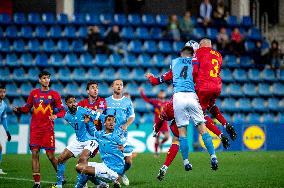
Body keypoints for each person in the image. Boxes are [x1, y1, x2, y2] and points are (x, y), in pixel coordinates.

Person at [146, 46, 219, 171]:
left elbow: (156, 81)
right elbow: (199, 77)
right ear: (192, 54)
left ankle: (186, 162)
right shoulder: (196, 62)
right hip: (192, 95)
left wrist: (150, 77)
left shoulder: (174, 64)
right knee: (202, 129)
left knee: (182, 134)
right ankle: (213, 156)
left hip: (178, 97)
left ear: (181, 53)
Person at [13, 71, 66, 188]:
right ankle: (37, 183)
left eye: (48, 78)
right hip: (35, 129)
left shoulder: (55, 94)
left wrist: (56, 116)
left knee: (50, 156)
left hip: (48, 129)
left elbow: (62, 111)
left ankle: (61, 176)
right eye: (44, 78)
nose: (46, 80)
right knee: (35, 154)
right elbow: (27, 108)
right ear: (39, 80)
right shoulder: (34, 93)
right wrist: (20, 109)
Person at [193, 38, 237, 143]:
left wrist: (194, 82)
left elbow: (194, 71)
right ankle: (226, 124)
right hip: (217, 87)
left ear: (202, 44)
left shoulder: (199, 52)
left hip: (204, 86)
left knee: (200, 115)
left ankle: (221, 136)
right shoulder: (218, 55)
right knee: (211, 106)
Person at [56, 95, 101, 188]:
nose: (73, 104)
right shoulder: (67, 116)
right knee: (60, 159)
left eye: (74, 101)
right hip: (79, 141)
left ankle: (82, 184)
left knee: (82, 160)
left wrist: (90, 122)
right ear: (67, 104)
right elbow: (79, 127)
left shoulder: (83, 110)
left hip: (91, 140)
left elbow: (98, 116)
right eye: (70, 102)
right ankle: (59, 185)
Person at [76, 115, 133, 188]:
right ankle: (101, 184)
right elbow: (92, 131)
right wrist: (88, 122)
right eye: (109, 120)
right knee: (79, 165)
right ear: (104, 123)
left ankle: (79, 186)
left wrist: (124, 149)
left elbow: (130, 148)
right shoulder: (101, 134)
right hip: (104, 166)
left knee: (83, 169)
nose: (111, 122)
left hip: (113, 171)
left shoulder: (117, 136)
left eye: (113, 121)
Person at [105, 79, 135, 186]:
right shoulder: (106, 101)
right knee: (113, 161)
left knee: (128, 162)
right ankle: (115, 180)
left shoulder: (127, 101)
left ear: (122, 87)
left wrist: (126, 124)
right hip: (110, 137)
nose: (119, 86)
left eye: (121, 85)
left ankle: (122, 173)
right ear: (112, 86)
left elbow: (132, 116)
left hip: (123, 136)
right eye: (116, 84)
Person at [139, 88, 169, 157]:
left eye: (163, 93)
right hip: (157, 122)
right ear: (158, 94)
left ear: (165, 94)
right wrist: (141, 92)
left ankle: (161, 144)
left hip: (164, 122)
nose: (162, 94)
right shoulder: (155, 101)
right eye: (160, 93)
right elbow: (146, 99)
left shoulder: (167, 103)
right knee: (157, 138)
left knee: (167, 137)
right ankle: (156, 153)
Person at [0, 83, 11, 175]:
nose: (2, 94)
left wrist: (7, 132)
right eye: (0, 92)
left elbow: (3, 119)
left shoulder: (4, 105)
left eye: (4, 92)